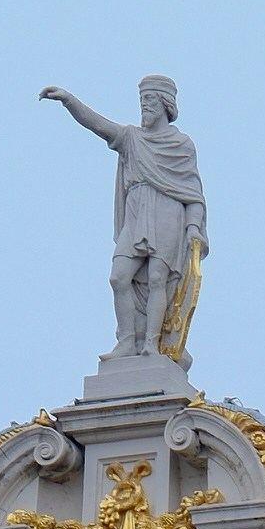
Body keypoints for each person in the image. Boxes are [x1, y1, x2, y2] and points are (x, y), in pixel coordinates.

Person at [40, 77, 209, 357]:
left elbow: (193, 194)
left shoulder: (182, 145)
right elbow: (99, 126)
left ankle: (152, 345)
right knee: (119, 277)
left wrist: (193, 228)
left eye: (150, 100)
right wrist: (69, 100)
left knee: (157, 278)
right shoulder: (132, 138)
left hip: (168, 212)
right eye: (142, 101)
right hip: (136, 211)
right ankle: (127, 340)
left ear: (165, 104)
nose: (144, 106)